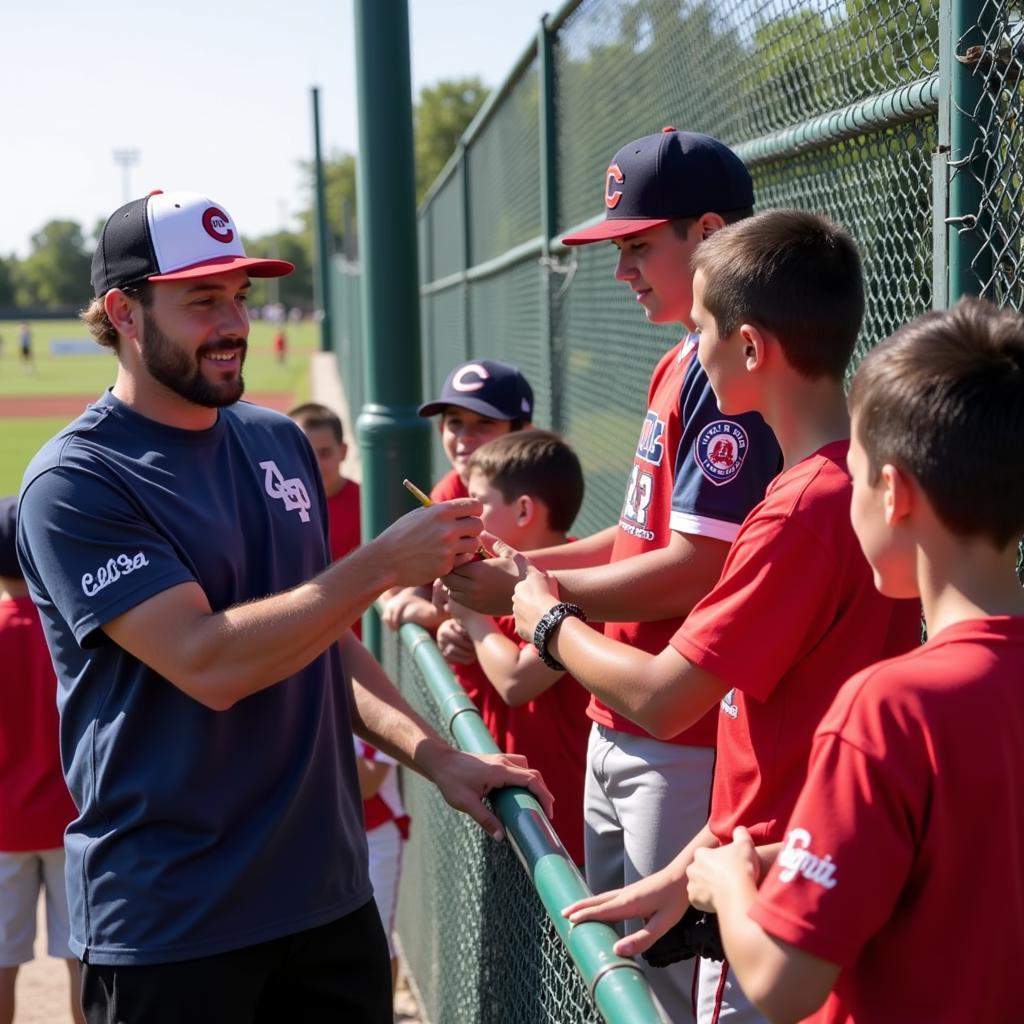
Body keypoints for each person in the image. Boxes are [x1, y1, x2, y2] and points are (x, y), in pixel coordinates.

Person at [15, 189, 552, 1024]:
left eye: (240, 296)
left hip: (326, 901)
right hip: (173, 924)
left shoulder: (277, 441)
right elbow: (210, 662)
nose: (234, 323)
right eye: (202, 301)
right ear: (123, 311)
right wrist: (379, 565)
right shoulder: (77, 481)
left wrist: (437, 758)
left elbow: (321, 635)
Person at [517, 210, 922, 1023]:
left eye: (702, 326)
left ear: (748, 348)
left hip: (772, 882)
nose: (693, 348)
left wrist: (547, 621)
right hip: (781, 855)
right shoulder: (854, 484)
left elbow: (666, 698)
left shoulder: (801, 509)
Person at [445, 130, 782, 1020]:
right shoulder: (679, 359)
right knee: (623, 978)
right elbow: (638, 541)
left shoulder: (726, 372)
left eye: (638, 244)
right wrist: (521, 566)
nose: (622, 267)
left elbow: (695, 570)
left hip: (683, 731)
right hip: (623, 716)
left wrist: (533, 598)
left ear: (709, 233)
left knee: (667, 990)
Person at [682, 297, 1024, 1024]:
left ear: (893, 492)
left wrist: (727, 883)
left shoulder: (893, 707)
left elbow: (782, 983)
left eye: (858, 473)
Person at [443, 430, 591, 864]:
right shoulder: (501, 578)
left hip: (563, 830)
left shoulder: (577, 582)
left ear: (524, 509)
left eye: (477, 504)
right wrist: (461, 638)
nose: (465, 516)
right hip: (517, 812)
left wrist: (471, 621)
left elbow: (515, 681)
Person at [0, 498, 84, 1024]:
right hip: (70, 819)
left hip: (3, 829)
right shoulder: (71, 629)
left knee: (1, 964)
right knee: (84, 959)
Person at [380, 358, 534, 636]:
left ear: (522, 433)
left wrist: (434, 615)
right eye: (455, 422)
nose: (465, 436)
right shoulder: (448, 492)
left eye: (484, 423)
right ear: (441, 430)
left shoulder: (530, 491)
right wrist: (416, 594)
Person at [352, 736, 409, 994]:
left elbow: (367, 783)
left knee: (376, 939)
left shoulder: (372, 699)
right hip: (327, 836)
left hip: (376, 836)